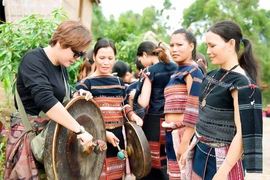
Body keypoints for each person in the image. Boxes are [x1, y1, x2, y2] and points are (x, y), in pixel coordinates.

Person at [4, 20, 97, 180]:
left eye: (81, 54)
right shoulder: (33, 60)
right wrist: (80, 130)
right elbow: (46, 100)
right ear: (61, 43)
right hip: (30, 138)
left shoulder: (62, 66)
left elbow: (59, 96)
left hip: (52, 137)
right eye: (76, 53)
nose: (78, 58)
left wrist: (77, 94)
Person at [182, 20, 263, 180]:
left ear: (231, 44)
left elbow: (242, 133)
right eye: (207, 46)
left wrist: (222, 172)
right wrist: (189, 148)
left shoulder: (242, 84)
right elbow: (201, 117)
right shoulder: (211, 76)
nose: (208, 51)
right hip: (200, 151)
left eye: (212, 46)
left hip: (223, 160)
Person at [76, 37, 143, 180]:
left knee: (116, 175)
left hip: (118, 136)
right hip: (96, 136)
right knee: (97, 173)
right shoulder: (86, 84)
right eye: (101, 57)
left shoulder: (119, 82)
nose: (106, 62)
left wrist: (132, 115)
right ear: (94, 57)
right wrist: (81, 95)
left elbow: (124, 104)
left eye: (110, 58)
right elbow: (81, 113)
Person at [130, 40, 178, 180]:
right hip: (174, 120)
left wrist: (134, 97)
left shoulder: (150, 72)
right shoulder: (176, 67)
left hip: (154, 122)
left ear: (145, 55)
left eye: (140, 59)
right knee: (169, 160)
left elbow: (144, 102)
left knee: (150, 162)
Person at [162, 28, 204, 179]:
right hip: (171, 134)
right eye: (172, 45)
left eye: (179, 45)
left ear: (191, 46)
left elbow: (195, 108)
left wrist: (185, 141)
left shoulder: (193, 71)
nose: (174, 49)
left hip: (185, 135)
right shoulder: (177, 72)